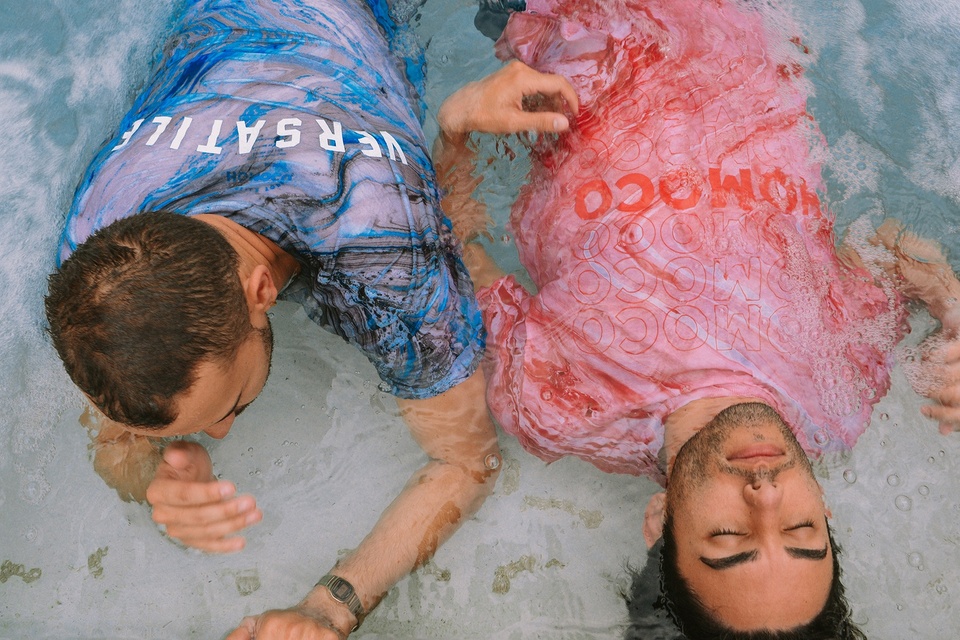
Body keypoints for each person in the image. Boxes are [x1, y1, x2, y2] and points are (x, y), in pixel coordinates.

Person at [432, 0, 960, 635]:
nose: (765, 493)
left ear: (659, 522)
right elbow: (889, 251)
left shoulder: (560, 402)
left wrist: (456, 130)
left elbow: (450, 247)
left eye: (730, 533)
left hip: (583, 26)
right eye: (800, 529)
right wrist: (950, 306)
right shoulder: (842, 391)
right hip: (748, 22)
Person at [41, 1, 566, 637]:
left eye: (229, 405)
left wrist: (328, 609)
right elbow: (113, 432)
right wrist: (152, 481)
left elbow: (468, 462)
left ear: (261, 290)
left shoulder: (378, 242)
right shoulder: (100, 252)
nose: (225, 435)